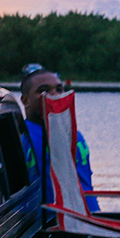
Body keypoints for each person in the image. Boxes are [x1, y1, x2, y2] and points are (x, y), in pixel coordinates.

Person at [20, 64, 99, 211]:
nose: (54, 95)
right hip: (49, 225)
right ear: (25, 101)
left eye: (59, 89)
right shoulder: (21, 136)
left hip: (89, 218)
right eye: (43, 91)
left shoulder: (73, 132)